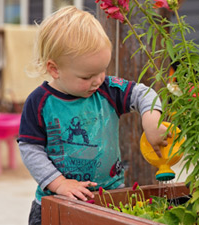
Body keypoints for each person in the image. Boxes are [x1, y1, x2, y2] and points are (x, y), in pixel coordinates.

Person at [17, 6, 170, 225]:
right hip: (56, 202)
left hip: (110, 200)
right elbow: (30, 148)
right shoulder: (40, 102)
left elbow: (143, 93)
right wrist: (59, 183)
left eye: (102, 70)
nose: (98, 80)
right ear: (54, 69)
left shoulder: (107, 90)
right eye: (87, 76)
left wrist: (151, 119)